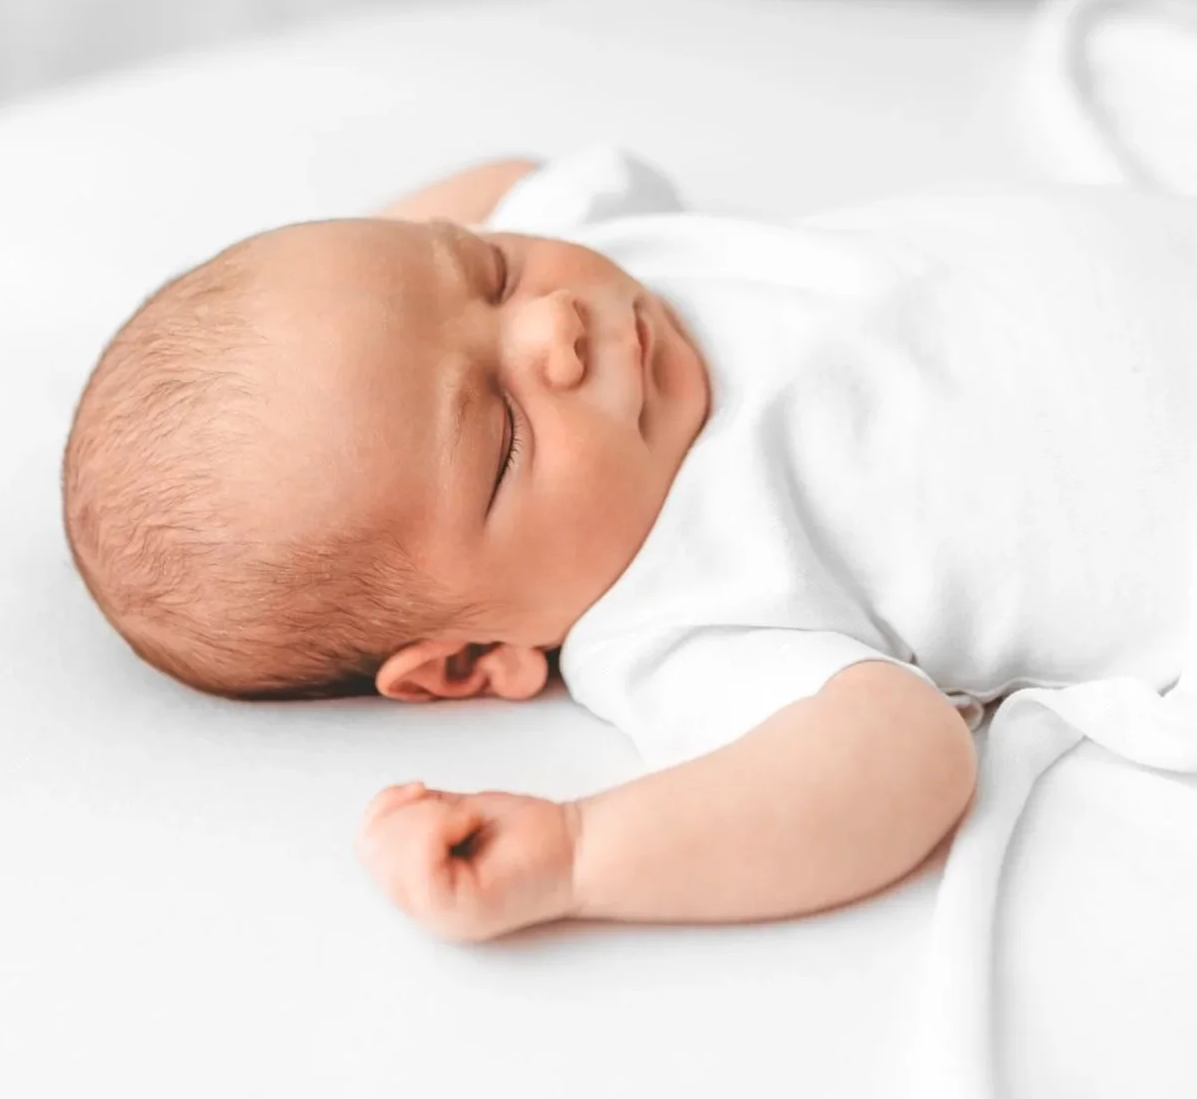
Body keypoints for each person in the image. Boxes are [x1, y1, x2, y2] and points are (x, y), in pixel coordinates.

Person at [62, 144, 1197, 944]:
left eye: (488, 273)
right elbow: (903, 762)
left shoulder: (610, 260)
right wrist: (579, 856)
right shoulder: (674, 614)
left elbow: (506, 177)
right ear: (469, 663)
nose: (551, 327)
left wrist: (339, 303)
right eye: (504, 436)